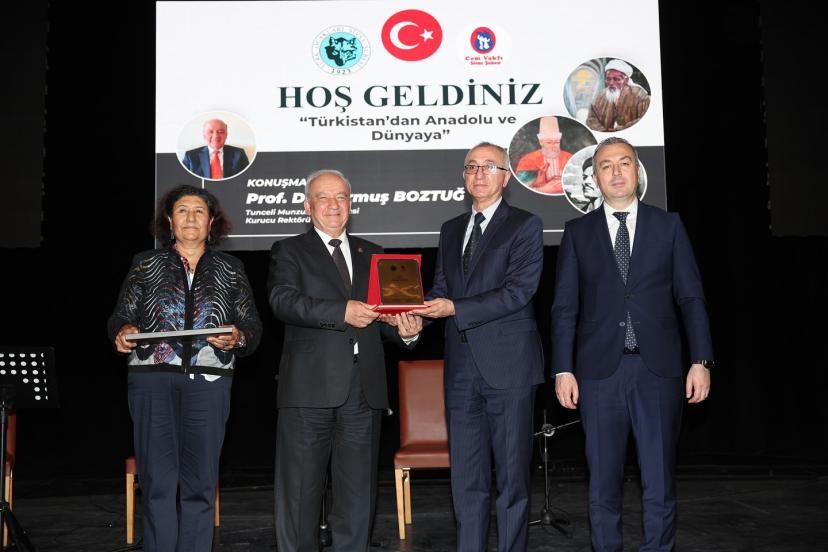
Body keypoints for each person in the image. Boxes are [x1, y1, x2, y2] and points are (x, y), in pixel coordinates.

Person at [551, 137, 714, 551]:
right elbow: (564, 307)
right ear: (595, 177)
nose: (616, 172)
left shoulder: (668, 226)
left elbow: (691, 297)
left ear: (638, 172)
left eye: (625, 163)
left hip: (657, 372)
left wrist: (700, 359)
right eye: (606, 165)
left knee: (658, 480)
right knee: (602, 483)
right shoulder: (577, 232)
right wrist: (563, 368)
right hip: (598, 375)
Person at [267, 169, 422, 552]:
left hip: (363, 392)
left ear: (351, 205)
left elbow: (385, 317)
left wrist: (406, 330)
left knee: (357, 498)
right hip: (308, 391)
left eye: (341, 197)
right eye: (323, 197)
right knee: (300, 497)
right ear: (308, 207)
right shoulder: (288, 250)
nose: (333, 204)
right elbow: (283, 301)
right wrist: (342, 311)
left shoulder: (375, 254)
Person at [108, 184, 262, 552]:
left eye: (199, 211)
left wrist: (238, 337)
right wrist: (122, 331)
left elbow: (252, 329)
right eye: (182, 210)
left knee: (200, 485)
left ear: (212, 222)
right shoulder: (145, 263)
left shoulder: (231, 268)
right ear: (169, 221)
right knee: (157, 485)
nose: (190, 218)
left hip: (209, 383)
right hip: (151, 382)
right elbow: (120, 316)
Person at [416, 142, 545, 552]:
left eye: (489, 167)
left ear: (506, 178)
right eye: (471, 167)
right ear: (464, 176)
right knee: (466, 482)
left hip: (509, 369)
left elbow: (518, 292)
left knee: (511, 482)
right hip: (460, 370)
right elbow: (441, 289)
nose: (479, 174)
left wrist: (455, 307)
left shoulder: (526, 225)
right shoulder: (451, 229)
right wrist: (413, 316)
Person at [586, 59, 651, 132]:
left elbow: (645, 120)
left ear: (626, 80)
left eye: (616, 79)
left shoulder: (639, 94)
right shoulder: (601, 95)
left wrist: (619, 130)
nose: (611, 83)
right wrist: (603, 131)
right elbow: (591, 119)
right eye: (608, 79)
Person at [515, 116, 573, 194]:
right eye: (549, 142)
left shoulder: (568, 158)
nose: (553, 146)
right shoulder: (528, 160)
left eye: (557, 142)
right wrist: (543, 189)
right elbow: (520, 189)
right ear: (541, 142)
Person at [182, 118, 250, 179]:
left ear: (226, 135)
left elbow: (248, 178)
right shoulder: (190, 156)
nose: (216, 136)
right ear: (204, 136)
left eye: (220, 132)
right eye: (210, 132)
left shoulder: (239, 154)